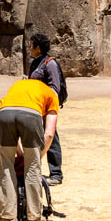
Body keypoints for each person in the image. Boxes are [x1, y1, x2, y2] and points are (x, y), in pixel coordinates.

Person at [0, 77, 59, 221]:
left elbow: (10, 114)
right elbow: (49, 134)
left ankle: (8, 216)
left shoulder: (19, 84)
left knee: (6, 166)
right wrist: (36, 157)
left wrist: (19, 153)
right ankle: (34, 217)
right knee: (32, 168)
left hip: (5, 114)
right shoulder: (51, 94)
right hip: (31, 116)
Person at [26, 33, 66, 185]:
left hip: (47, 108)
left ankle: (56, 173)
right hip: (34, 107)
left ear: (38, 47)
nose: (29, 48)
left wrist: (47, 105)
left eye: (31, 46)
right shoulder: (35, 63)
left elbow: (54, 88)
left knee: (51, 137)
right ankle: (34, 170)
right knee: (36, 138)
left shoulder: (50, 64)